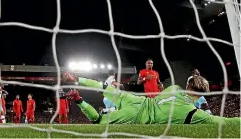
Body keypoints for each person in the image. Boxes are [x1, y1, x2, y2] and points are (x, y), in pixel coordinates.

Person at [62, 71, 240, 125]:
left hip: (135, 100)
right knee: (99, 120)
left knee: (103, 88)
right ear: (203, 95)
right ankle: (79, 99)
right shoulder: (193, 115)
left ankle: (76, 79)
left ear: (187, 86)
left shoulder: (174, 88)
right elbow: (225, 122)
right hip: (139, 116)